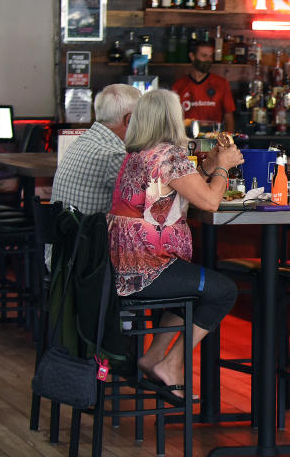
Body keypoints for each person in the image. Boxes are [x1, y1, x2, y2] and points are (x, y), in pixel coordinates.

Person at [108, 89, 241, 403]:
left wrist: (209, 165)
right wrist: (223, 166)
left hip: (125, 265)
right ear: (173, 119)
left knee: (192, 287)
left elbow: (182, 186)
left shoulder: (137, 152)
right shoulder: (168, 154)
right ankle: (171, 363)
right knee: (223, 291)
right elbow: (209, 201)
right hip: (148, 268)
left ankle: (152, 357)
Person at [51, 84, 141, 214]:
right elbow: (148, 199)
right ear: (129, 119)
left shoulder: (83, 140)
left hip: (64, 230)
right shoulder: (115, 154)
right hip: (88, 233)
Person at [171, 40, 236, 132]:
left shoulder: (221, 84)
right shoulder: (178, 86)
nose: (208, 60)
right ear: (192, 56)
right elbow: (173, 119)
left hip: (214, 139)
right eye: (204, 56)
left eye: (210, 56)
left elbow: (229, 118)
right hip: (186, 140)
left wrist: (228, 142)